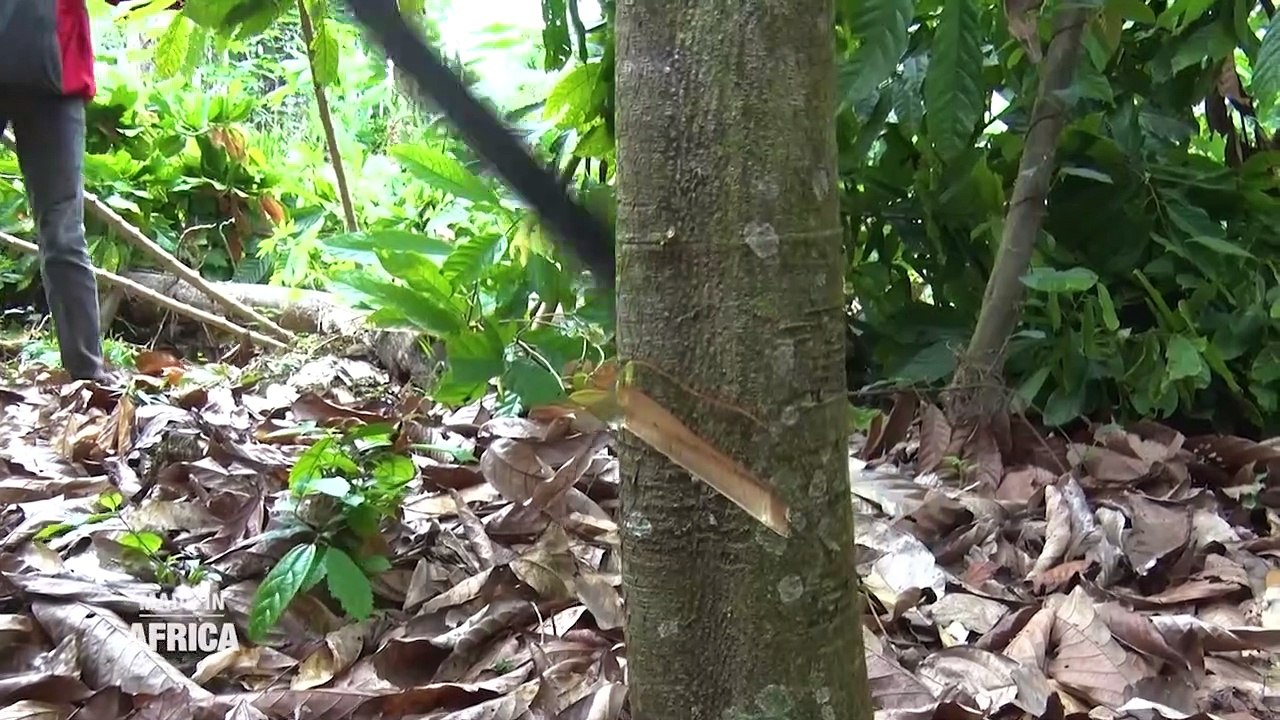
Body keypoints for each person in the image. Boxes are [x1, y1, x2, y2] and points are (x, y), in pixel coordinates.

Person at [0, 0, 117, 384]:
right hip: (58, 72)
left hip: (57, 76)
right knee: (64, 232)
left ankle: (88, 375)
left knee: (63, 233)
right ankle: (89, 374)